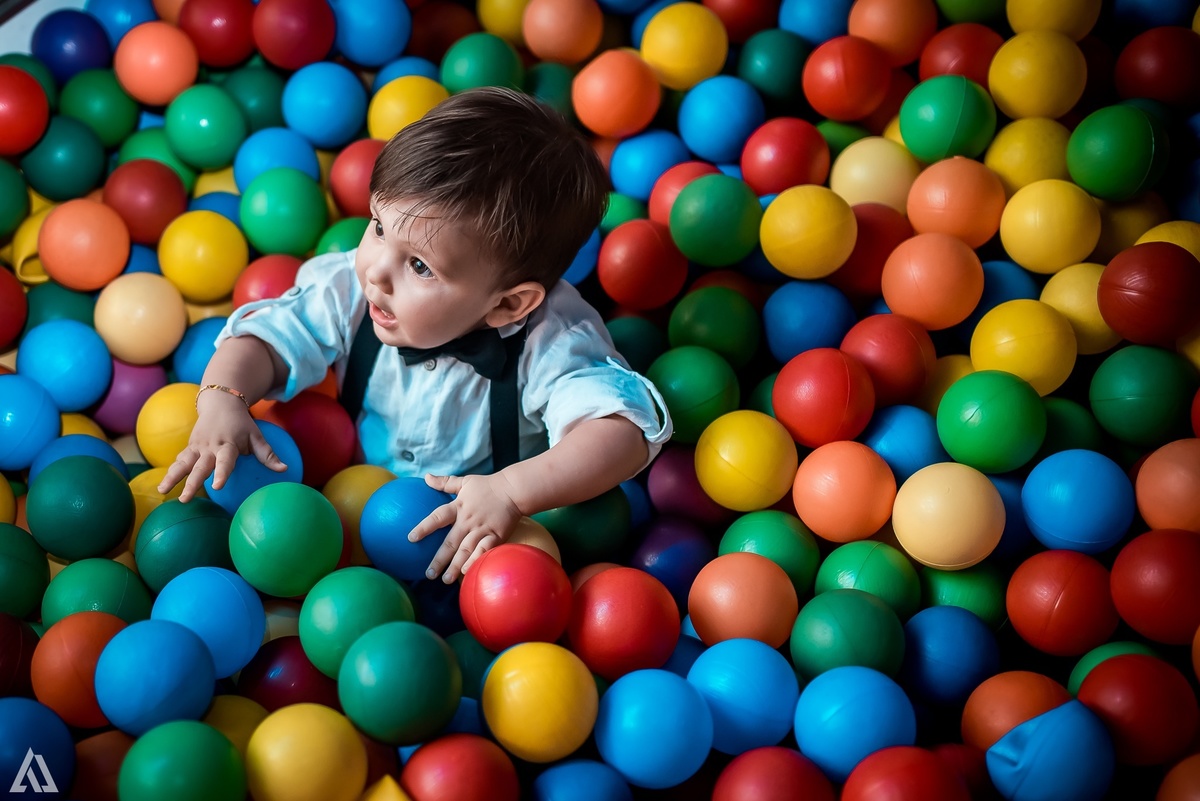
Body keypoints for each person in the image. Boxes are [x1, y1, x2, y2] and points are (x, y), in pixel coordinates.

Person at [157, 87, 672, 584]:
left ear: (508, 304)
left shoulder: (552, 339)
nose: (377, 271)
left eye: (420, 266)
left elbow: (620, 432)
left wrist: (512, 492)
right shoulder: (352, 289)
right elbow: (269, 336)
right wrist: (223, 398)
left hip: (477, 546)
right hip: (336, 514)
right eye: (379, 225)